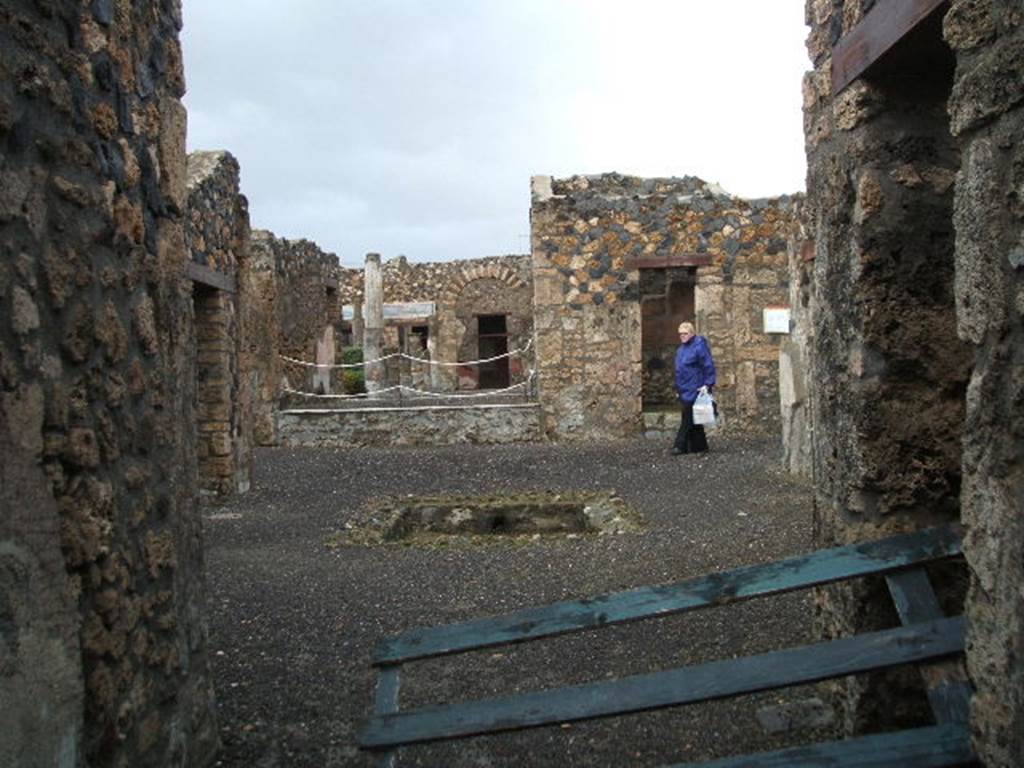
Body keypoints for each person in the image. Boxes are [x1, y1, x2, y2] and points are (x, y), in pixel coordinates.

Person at [672, 322, 716, 455]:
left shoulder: (699, 347)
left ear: (692, 333)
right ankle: (699, 447)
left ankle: (679, 444)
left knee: (687, 417)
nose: (682, 336)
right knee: (693, 418)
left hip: (697, 388)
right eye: (680, 334)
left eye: (685, 333)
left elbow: (708, 365)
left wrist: (708, 384)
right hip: (685, 388)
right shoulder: (681, 350)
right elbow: (680, 370)